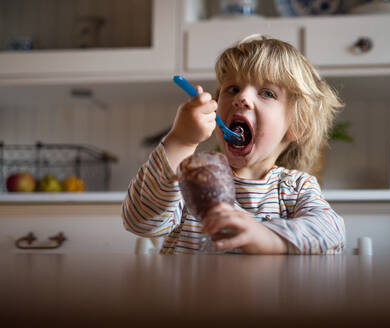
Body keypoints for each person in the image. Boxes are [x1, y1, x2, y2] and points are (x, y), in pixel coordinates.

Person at [122, 35, 345, 255]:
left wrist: (267, 237)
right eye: (233, 89)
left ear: (297, 125)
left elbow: (332, 232)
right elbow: (141, 222)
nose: (242, 98)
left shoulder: (295, 188)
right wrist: (180, 140)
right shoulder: (193, 176)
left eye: (267, 93)